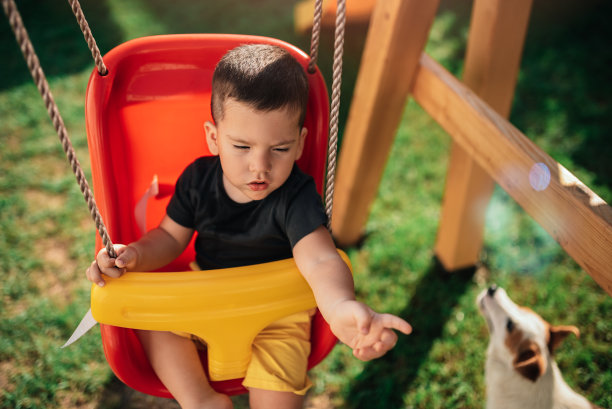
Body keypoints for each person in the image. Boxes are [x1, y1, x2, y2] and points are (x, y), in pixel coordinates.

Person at [86, 44, 412, 409]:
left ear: (301, 143)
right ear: (214, 138)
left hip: (278, 317)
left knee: (278, 383)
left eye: (280, 148)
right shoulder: (196, 180)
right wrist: (134, 255)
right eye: (241, 146)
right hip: (205, 298)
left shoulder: (296, 195)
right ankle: (201, 400)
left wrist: (338, 307)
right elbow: (168, 238)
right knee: (153, 322)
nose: (260, 166)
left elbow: (319, 260)